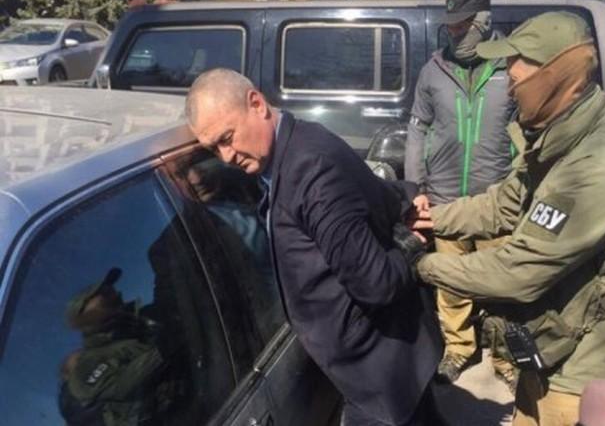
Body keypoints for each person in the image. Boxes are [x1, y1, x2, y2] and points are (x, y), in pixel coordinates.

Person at [398, 11, 605, 426]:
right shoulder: (556, 142)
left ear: (553, 78)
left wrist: (419, 265)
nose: (509, 83)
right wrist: (428, 218)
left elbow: (516, 272)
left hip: (584, 377)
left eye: (516, 71)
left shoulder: (595, 170)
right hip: (550, 352)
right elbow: (502, 205)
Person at [184, 68, 444, 426]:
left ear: (256, 104)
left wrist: (413, 242)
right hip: (380, 363)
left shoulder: (311, 171)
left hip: (377, 374)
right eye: (214, 148)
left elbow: (376, 283)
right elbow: (363, 188)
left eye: (227, 138)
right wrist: (406, 196)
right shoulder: (297, 145)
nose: (225, 156)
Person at [404, 0, 516, 387]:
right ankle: (458, 347)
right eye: (449, 27)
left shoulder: (510, 67)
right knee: (451, 280)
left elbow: (529, 130)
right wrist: (414, 185)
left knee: (501, 282)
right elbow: (417, 128)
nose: (453, 33)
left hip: (496, 201)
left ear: (483, 22)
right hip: (445, 197)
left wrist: (522, 184)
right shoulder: (434, 70)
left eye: (461, 26)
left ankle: (505, 356)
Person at [59, 268, 186, 426]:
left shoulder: (139, 321)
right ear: (83, 316)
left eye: (109, 289)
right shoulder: (85, 366)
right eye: (102, 293)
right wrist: (163, 349)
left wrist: (166, 267)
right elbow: (122, 384)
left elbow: (170, 299)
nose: (113, 292)